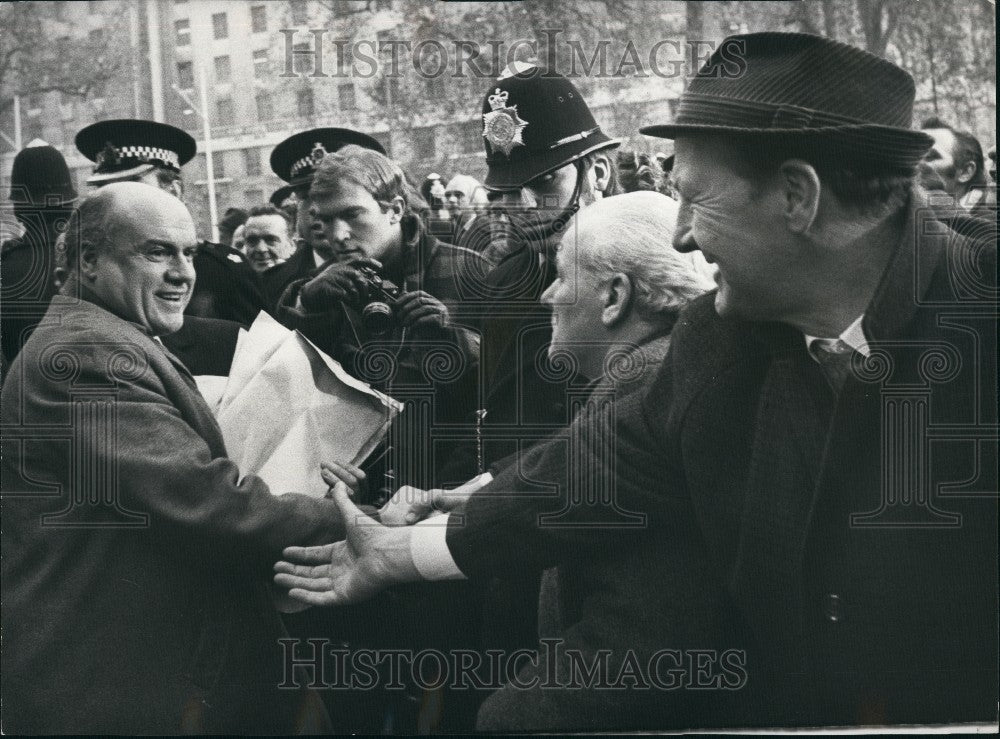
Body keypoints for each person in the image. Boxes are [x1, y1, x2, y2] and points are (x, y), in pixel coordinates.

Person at [274, 32, 998, 730]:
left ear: (798, 198)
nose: (681, 236)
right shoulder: (720, 334)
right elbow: (591, 469)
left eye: (696, 199)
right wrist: (401, 553)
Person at [308, 191, 715, 729]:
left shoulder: (645, 381)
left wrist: (510, 719)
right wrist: (474, 489)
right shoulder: (654, 368)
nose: (546, 295)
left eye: (562, 278)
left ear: (614, 297)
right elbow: (572, 462)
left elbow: (644, 622)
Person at [1, 182, 344, 734]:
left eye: (189, 252)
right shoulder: (89, 351)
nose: (185, 273)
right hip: (126, 682)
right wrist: (350, 518)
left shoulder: (107, 334)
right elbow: (205, 503)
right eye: (157, 252)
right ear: (88, 260)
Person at [275, 144, 487, 497]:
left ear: (396, 209)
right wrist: (307, 305)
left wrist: (456, 341)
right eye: (325, 219)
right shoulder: (323, 289)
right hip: (354, 490)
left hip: (449, 490)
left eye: (352, 215)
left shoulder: (471, 273)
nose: (338, 235)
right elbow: (289, 394)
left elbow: (511, 394)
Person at [75, 119, 267, 325]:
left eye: (131, 187)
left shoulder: (222, 272)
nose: (117, 199)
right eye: (105, 188)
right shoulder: (89, 266)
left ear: (174, 191)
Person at [263, 127, 387, 309]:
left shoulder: (405, 263)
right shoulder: (272, 282)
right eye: (306, 196)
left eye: (337, 197)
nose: (317, 210)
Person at [1, 140, 77, 369]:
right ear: (69, 204)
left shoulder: (5, 267)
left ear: (18, 209)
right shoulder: (95, 260)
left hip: (22, 398)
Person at [919, 116, 997, 216]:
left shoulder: (989, 226)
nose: (914, 165)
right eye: (912, 156)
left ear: (966, 172)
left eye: (929, 156)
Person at [242, 205, 297, 273]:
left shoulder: (305, 282)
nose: (261, 249)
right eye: (252, 240)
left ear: (291, 245)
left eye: (270, 240)